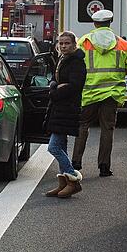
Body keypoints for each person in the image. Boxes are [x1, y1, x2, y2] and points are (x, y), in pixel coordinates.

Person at [72, 9, 127, 177]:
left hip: (89, 92)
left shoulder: (84, 41)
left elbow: (75, 64)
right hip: (112, 93)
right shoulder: (124, 45)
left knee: (83, 125)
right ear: (110, 23)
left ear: (95, 23)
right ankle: (104, 167)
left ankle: (76, 162)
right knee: (107, 129)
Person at [42, 31, 86, 198]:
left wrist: (54, 91)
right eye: (61, 43)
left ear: (74, 44)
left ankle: (73, 179)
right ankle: (64, 183)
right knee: (61, 147)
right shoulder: (62, 59)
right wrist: (55, 85)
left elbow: (74, 86)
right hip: (59, 109)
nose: (63, 46)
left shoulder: (76, 62)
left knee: (53, 147)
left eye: (67, 43)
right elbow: (56, 81)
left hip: (67, 108)